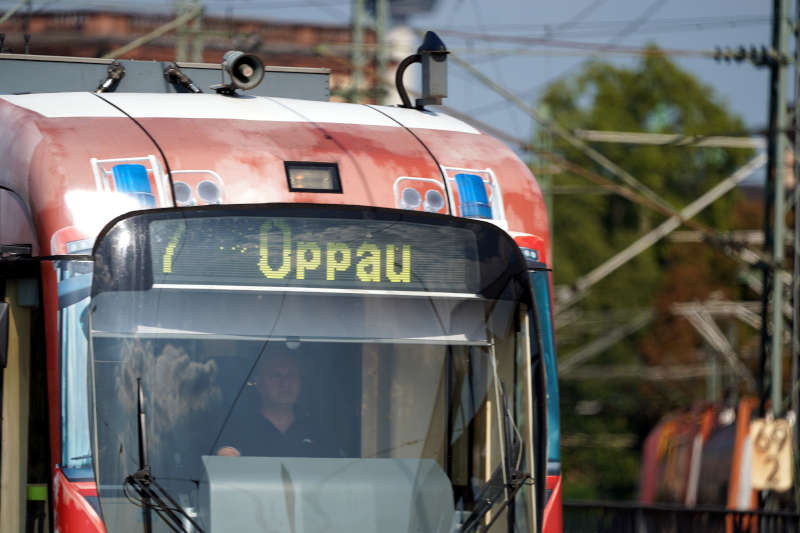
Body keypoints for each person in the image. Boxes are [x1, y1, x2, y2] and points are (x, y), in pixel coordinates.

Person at [216, 351, 331, 457]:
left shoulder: (317, 431)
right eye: (276, 375)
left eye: (291, 375)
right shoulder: (238, 431)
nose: (285, 383)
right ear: (259, 383)